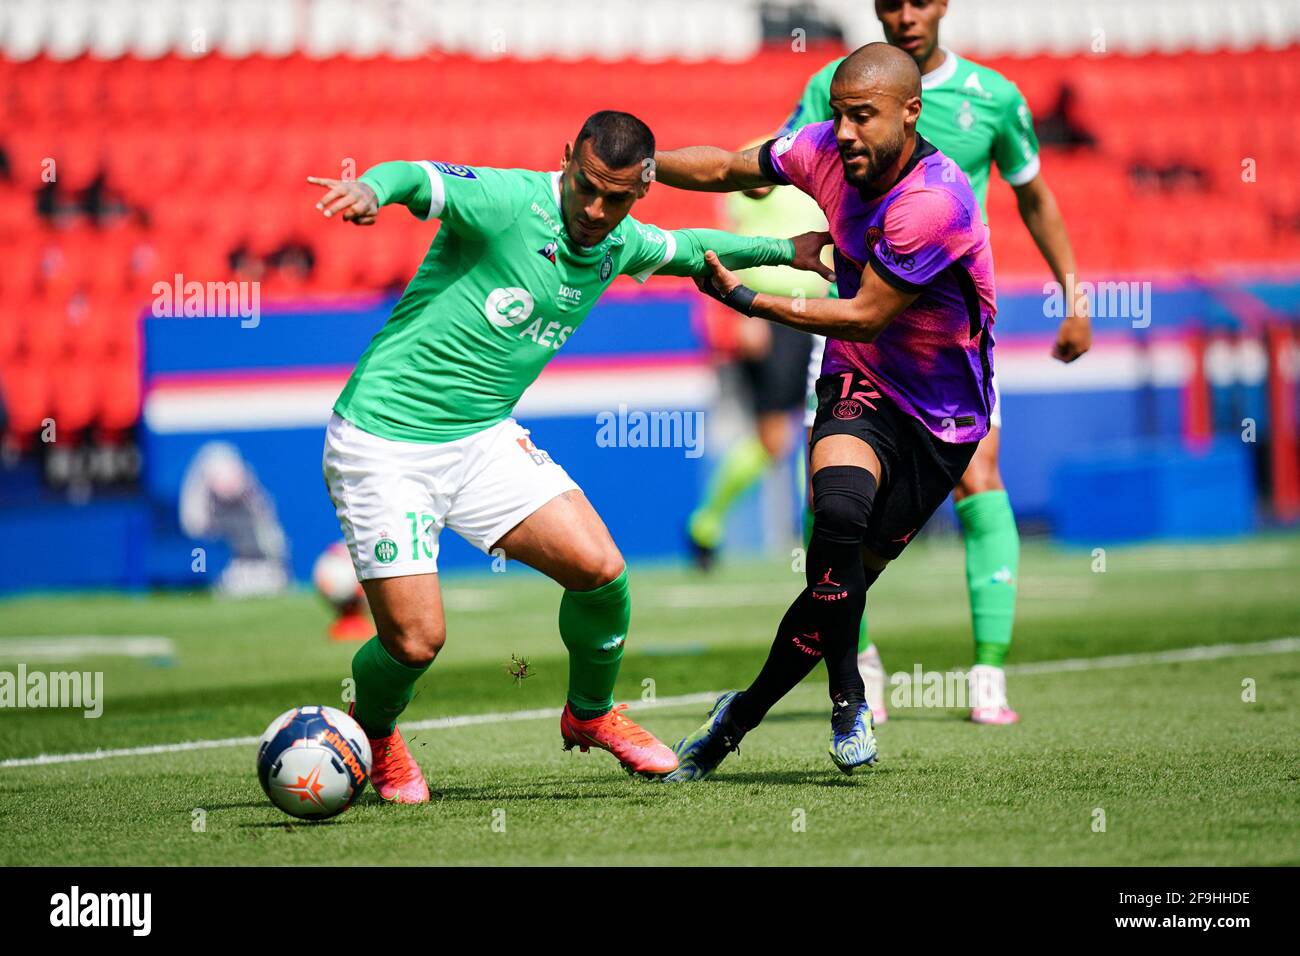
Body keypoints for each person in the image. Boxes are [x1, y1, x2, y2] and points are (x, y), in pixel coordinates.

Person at [308, 110, 834, 801]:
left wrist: (785, 251)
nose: (594, 208)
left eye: (615, 197)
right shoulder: (508, 203)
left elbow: (688, 247)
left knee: (600, 571)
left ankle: (590, 713)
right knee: (415, 643)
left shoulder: (619, 242)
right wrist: (374, 191)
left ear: (642, 188)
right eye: (584, 186)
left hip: (481, 439)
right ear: (566, 160)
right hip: (384, 441)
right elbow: (416, 176)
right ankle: (373, 731)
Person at [651, 43, 996, 779]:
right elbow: (726, 169)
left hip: (943, 419)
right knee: (837, 515)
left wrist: (747, 297)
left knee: (839, 586)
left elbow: (867, 312)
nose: (843, 131)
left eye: (862, 117)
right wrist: (642, 171)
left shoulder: (933, 202)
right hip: (860, 381)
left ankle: (737, 716)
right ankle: (849, 696)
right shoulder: (820, 151)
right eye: (839, 114)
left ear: (910, 112)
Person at [780, 0, 1092, 723]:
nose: (905, 13)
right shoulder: (839, 82)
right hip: (854, 327)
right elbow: (782, 156)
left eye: (919, 0)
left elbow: (1035, 197)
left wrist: (1074, 296)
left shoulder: (995, 97)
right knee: (828, 492)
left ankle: (988, 672)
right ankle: (854, 658)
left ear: (943, 4)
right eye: (890, 2)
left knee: (979, 476)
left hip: (946, 343)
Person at [686, 141, 829, 569]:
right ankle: (706, 523)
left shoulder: (825, 158)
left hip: (819, 312)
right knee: (776, 440)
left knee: (813, 430)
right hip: (773, 314)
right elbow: (735, 242)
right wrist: (746, 310)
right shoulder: (759, 161)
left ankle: (826, 534)